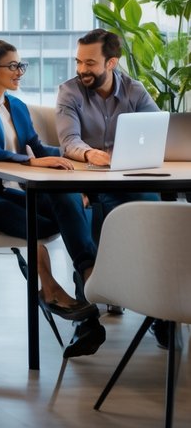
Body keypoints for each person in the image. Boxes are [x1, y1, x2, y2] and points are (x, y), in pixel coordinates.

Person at [0, 39, 104, 358]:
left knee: (67, 203)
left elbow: (39, 148)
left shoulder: (17, 107)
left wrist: (83, 154)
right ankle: (55, 290)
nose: (19, 72)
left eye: (20, 65)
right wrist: (30, 162)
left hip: (13, 190)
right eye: (12, 66)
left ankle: (88, 273)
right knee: (42, 229)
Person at [55, 28, 164, 332]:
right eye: (78, 61)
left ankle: (160, 314)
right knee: (75, 211)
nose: (81, 70)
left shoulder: (135, 91)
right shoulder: (70, 91)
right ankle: (87, 319)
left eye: (89, 63)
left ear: (111, 63)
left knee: (154, 215)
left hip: (126, 182)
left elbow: (158, 132)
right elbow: (69, 142)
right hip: (85, 182)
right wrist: (91, 155)